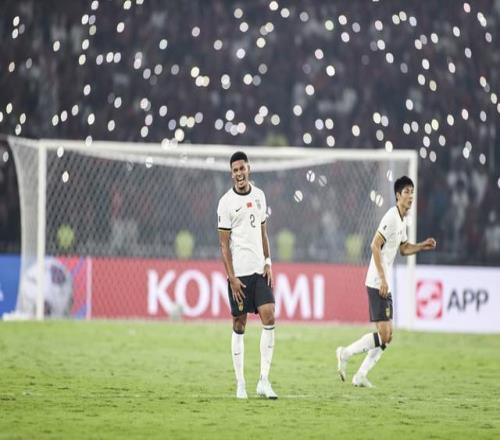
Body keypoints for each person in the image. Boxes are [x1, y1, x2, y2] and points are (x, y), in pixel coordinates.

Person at [336, 176, 436, 387]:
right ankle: (345, 353)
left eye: (412, 191)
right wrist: (382, 278)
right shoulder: (391, 217)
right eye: (407, 192)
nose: (411, 196)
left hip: (384, 281)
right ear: (398, 195)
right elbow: (374, 245)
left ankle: (361, 375)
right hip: (376, 281)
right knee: (384, 334)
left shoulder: (402, 219)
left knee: (388, 336)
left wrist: (422, 246)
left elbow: (404, 248)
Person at [217, 151, 278, 400]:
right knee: (239, 324)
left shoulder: (260, 196)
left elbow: (264, 233)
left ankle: (263, 380)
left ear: (248, 169)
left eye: (242, 168)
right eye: (235, 170)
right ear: (231, 174)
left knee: (269, 315)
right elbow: (224, 245)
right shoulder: (225, 203)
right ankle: (240, 383)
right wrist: (231, 277)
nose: (239, 173)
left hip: (259, 271)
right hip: (239, 276)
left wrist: (268, 262)